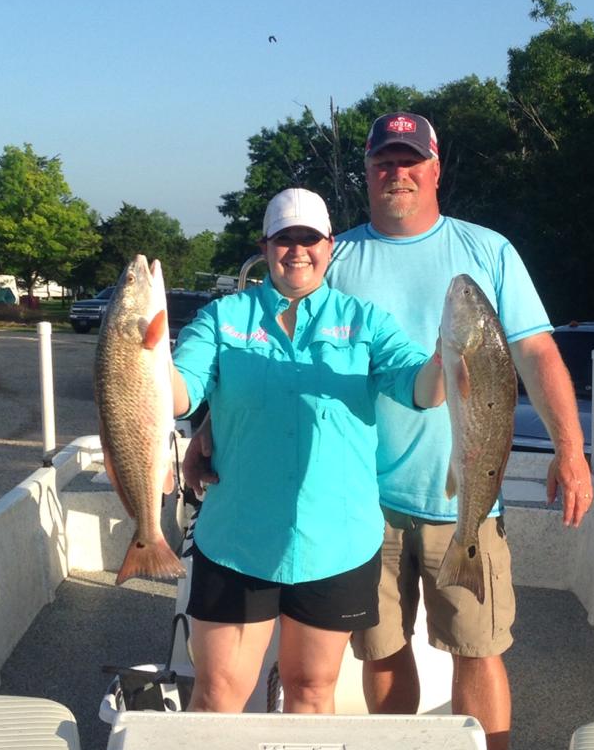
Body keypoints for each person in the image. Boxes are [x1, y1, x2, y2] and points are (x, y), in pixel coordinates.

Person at [184, 115, 591, 750]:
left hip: (465, 493)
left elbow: (536, 350)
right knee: (381, 650)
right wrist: (210, 430)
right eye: (382, 163)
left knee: (477, 647)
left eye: (410, 161)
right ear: (367, 173)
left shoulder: (486, 250)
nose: (396, 173)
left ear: (434, 169)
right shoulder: (333, 254)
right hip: (362, 505)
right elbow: (283, 357)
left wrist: (569, 450)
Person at [170, 187, 444, 715]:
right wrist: (148, 365)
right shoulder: (224, 318)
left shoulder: (366, 321)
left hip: (337, 542)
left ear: (330, 244)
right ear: (265, 245)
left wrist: (451, 357)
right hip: (238, 541)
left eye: (309, 238)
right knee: (218, 695)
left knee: (312, 693)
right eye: (284, 238)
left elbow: (422, 390)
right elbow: (182, 390)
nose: (298, 250)